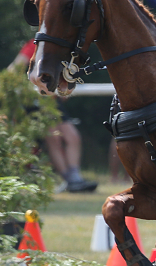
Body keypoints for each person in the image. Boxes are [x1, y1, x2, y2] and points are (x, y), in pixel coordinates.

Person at [12, 40, 97, 193]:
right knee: (54, 138)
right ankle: (70, 180)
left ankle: (74, 177)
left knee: (73, 137)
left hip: (53, 101)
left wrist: (64, 85)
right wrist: (32, 87)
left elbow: (66, 74)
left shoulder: (61, 45)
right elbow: (13, 70)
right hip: (35, 101)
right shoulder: (34, 45)